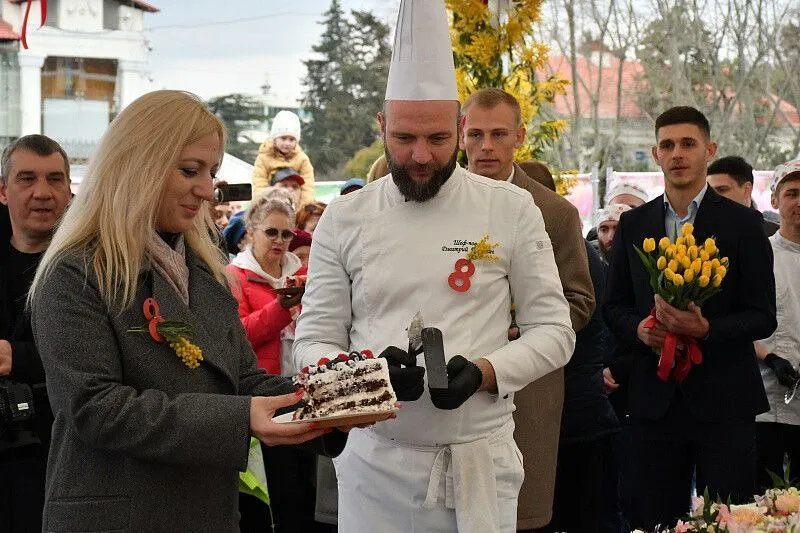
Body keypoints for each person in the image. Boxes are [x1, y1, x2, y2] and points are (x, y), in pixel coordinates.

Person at [293, 2, 575, 532]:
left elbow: (556, 332)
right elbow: (312, 342)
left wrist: (488, 372)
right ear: (381, 127)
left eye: (438, 139)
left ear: (461, 128)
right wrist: (367, 378)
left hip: (478, 463)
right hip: (376, 466)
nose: (420, 156)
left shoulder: (511, 208)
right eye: (403, 139)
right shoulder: (345, 218)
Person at [27, 90, 346, 533]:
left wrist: (337, 398)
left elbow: (241, 377)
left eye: (210, 172)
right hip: (119, 517)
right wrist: (240, 417)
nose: (206, 188)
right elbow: (95, 409)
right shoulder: (76, 271)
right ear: (137, 163)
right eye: (189, 170)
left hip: (209, 512)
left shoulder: (205, 270)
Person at [604, 106, 776, 530]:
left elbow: (763, 316)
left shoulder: (744, 225)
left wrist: (707, 330)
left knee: (729, 521)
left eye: (687, 144)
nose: (676, 153)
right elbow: (613, 306)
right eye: (667, 145)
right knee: (654, 520)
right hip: (653, 403)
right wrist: (640, 331)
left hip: (725, 403)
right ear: (655, 154)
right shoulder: (633, 225)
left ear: (709, 150)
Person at [459, 87, 595, 531]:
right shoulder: (436, 204)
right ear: (460, 136)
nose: (486, 146)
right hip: (450, 379)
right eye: (475, 133)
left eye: (499, 134)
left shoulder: (553, 212)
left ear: (519, 137)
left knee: (521, 512)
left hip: (528, 386)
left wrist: (524, 331)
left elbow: (579, 299)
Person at [0, 135, 72, 533]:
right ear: (4, 191)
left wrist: (17, 357)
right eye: (27, 179)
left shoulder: (96, 267)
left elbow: (112, 353)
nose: (42, 193)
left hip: (61, 452)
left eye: (54, 179)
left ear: (68, 190)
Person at [753, 159, 800, 490]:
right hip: (767, 402)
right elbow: (739, 324)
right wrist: (770, 357)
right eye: (792, 193)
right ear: (775, 200)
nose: (799, 202)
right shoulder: (760, 256)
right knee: (762, 502)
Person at [252, 110, 315, 205]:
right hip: (270, 205)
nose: (287, 143)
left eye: (292, 139)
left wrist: (302, 210)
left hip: (295, 205)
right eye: (283, 138)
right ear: (275, 138)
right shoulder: (263, 158)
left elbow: (308, 188)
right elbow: (259, 185)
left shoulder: (302, 159)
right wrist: (266, 205)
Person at [707, 155, 779, 236]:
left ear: (746, 189)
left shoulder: (775, 236)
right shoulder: (700, 234)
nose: (713, 197)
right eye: (710, 191)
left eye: (722, 190)